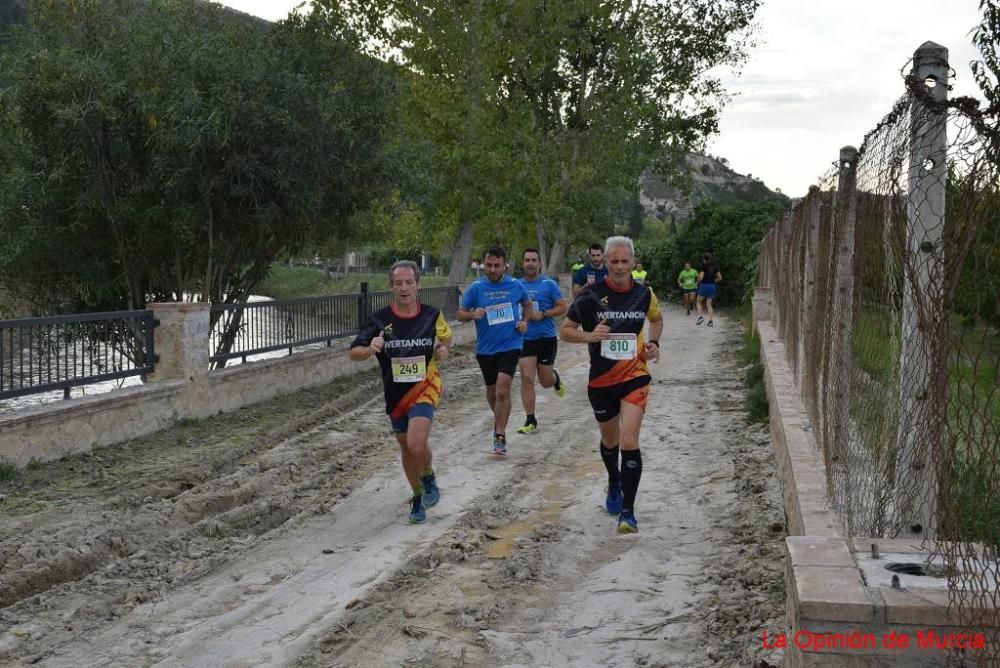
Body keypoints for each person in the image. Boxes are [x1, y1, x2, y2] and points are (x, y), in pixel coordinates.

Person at [560, 236, 663, 534]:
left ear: (633, 262)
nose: (619, 267)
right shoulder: (590, 295)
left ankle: (628, 513)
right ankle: (614, 480)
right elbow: (565, 331)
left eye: (624, 261)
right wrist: (589, 337)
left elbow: (656, 320)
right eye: (614, 261)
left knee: (629, 440)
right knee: (610, 442)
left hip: (635, 375)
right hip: (602, 380)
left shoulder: (644, 295)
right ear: (606, 262)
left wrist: (654, 343)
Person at [349, 261, 452, 524]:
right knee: (407, 450)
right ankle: (417, 496)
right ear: (391, 287)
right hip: (395, 395)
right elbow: (354, 352)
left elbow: (445, 337)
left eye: (409, 282)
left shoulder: (431, 315)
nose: (404, 288)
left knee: (417, 444)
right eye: (398, 283)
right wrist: (370, 348)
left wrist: (443, 348)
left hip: (425, 387)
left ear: (418, 285)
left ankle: (428, 477)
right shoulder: (379, 320)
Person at [456, 245, 534, 456]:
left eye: (496, 266)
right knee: (492, 392)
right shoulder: (476, 288)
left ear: (505, 265)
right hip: (485, 348)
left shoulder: (516, 285)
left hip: (511, 344)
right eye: (488, 265)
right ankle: (501, 416)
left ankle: (499, 433)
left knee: (502, 388)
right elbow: (460, 313)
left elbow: (527, 305)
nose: (492, 270)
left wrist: (524, 322)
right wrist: (472, 315)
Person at [516, 248, 569, 434]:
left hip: (546, 338)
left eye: (533, 260)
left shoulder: (549, 284)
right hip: (524, 340)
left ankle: (554, 378)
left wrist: (544, 314)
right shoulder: (516, 285)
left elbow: (563, 307)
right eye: (527, 260)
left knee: (545, 381)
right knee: (527, 377)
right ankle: (530, 419)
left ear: (539, 263)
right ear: (522, 263)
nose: (530, 263)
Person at [695, 252, 722, 327]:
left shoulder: (703, 265)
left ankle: (700, 317)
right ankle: (710, 321)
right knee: (709, 304)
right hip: (712, 286)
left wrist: (696, 283)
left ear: (704, 259)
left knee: (698, 301)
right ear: (710, 258)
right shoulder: (715, 266)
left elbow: (701, 276)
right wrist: (713, 281)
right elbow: (720, 277)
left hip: (704, 285)